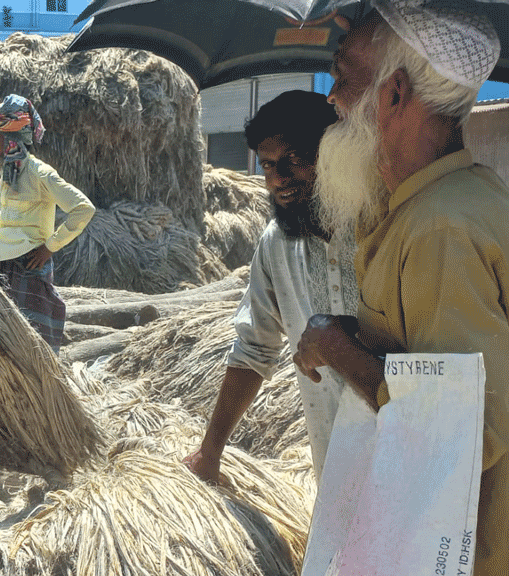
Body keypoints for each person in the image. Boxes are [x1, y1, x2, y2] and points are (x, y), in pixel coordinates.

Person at [292, 3, 507, 573]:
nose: (332, 98)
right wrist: (353, 339)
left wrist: (337, 349)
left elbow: (463, 432)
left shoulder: (443, 228)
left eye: (343, 77)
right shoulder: (435, 207)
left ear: (394, 94)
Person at [185, 91, 349, 484]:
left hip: (411, 455)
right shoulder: (277, 243)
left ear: (332, 152)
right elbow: (254, 350)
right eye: (268, 165)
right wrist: (209, 454)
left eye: (294, 160)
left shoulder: (380, 229)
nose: (278, 179)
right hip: (334, 462)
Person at [0, 94, 95, 352]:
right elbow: (10, 223)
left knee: (35, 348)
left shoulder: (40, 173)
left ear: (11, 138)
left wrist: (50, 247)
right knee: (6, 347)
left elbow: (83, 208)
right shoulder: (7, 173)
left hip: (29, 268)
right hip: (4, 266)